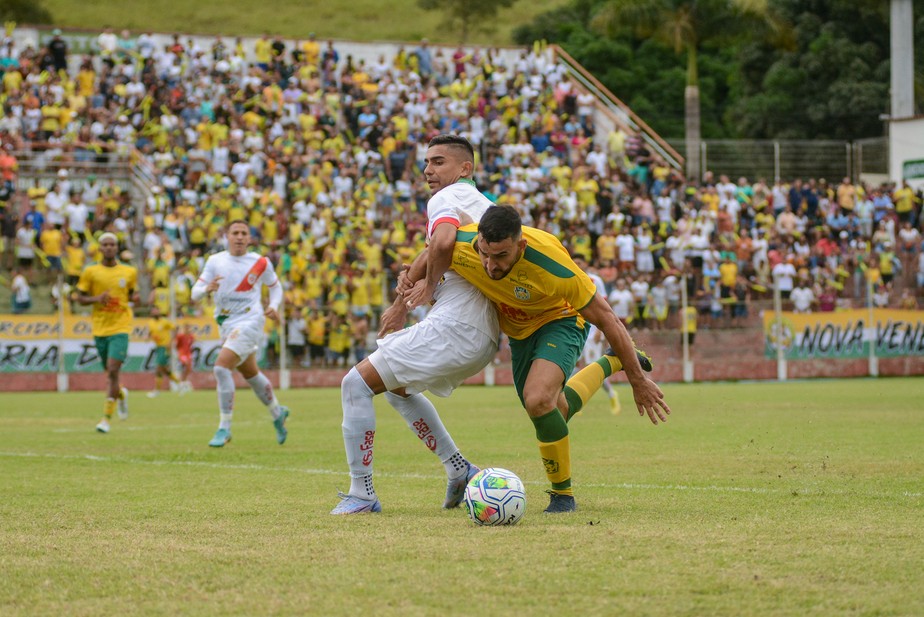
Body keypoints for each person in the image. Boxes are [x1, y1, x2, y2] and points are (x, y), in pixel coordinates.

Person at [411, 204, 671, 513]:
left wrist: (637, 380)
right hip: (520, 332)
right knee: (552, 410)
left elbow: (609, 319)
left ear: (520, 245)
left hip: (560, 320)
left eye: (501, 257)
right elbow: (433, 251)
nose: (490, 266)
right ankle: (608, 363)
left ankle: (563, 495)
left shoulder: (553, 266)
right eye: (485, 254)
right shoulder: (466, 245)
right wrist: (406, 296)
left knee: (538, 400)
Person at [331, 135, 498, 515]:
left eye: (438, 162)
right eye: (426, 163)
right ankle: (459, 469)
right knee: (397, 390)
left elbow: (441, 242)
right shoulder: (485, 205)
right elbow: (436, 248)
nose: (428, 171)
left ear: (464, 169)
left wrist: (427, 285)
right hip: (481, 335)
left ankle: (362, 493)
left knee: (354, 384)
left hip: (458, 327)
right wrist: (401, 303)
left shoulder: (444, 199)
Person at [190, 220, 290, 447]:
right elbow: (194, 293)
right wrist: (206, 289)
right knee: (251, 374)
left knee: (220, 367)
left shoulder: (259, 262)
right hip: (226, 324)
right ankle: (277, 412)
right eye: (235, 232)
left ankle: (224, 427)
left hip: (251, 321)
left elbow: (275, 287)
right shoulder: (215, 261)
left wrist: (274, 306)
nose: (239, 237)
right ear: (226, 236)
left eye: (244, 233)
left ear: (249, 238)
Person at [75, 233, 135, 433]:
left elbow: (133, 295)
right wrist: (97, 298)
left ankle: (106, 419)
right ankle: (122, 395)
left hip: (121, 328)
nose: (109, 248)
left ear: (117, 248)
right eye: (105, 245)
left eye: (112, 245)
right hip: (100, 328)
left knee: (112, 370)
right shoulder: (90, 271)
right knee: (111, 375)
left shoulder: (129, 271)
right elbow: (79, 298)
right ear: (100, 248)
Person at [146, 306, 181, 397]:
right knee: (165, 370)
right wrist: (148, 337)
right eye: (154, 311)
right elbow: (151, 332)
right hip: (158, 347)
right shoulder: (150, 323)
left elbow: (175, 328)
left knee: (158, 368)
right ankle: (180, 384)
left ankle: (157, 391)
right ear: (151, 313)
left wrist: (171, 341)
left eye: (157, 311)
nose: (155, 313)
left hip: (165, 347)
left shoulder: (164, 321)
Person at [175, 323, 195, 393]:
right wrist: (179, 352)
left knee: (189, 368)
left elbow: (191, 345)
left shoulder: (191, 337)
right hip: (182, 353)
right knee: (186, 364)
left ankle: (183, 381)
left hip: (188, 353)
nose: (188, 330)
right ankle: (181, 382)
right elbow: (177, 345)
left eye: (189, 328)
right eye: (186, 328)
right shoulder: (180, 336)